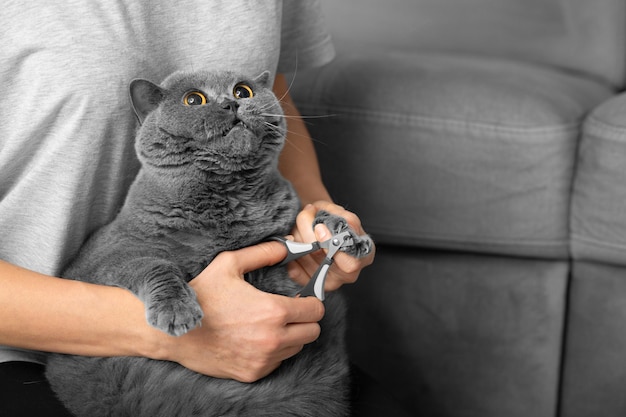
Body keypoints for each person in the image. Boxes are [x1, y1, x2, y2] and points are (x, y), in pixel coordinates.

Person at [0, 1, 375, 415]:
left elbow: (275, 97)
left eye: (241, 94)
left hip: (264, 341)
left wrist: (316, 218)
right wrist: (171, 331)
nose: (232, 104)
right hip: (35, 343)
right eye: (197, 99)